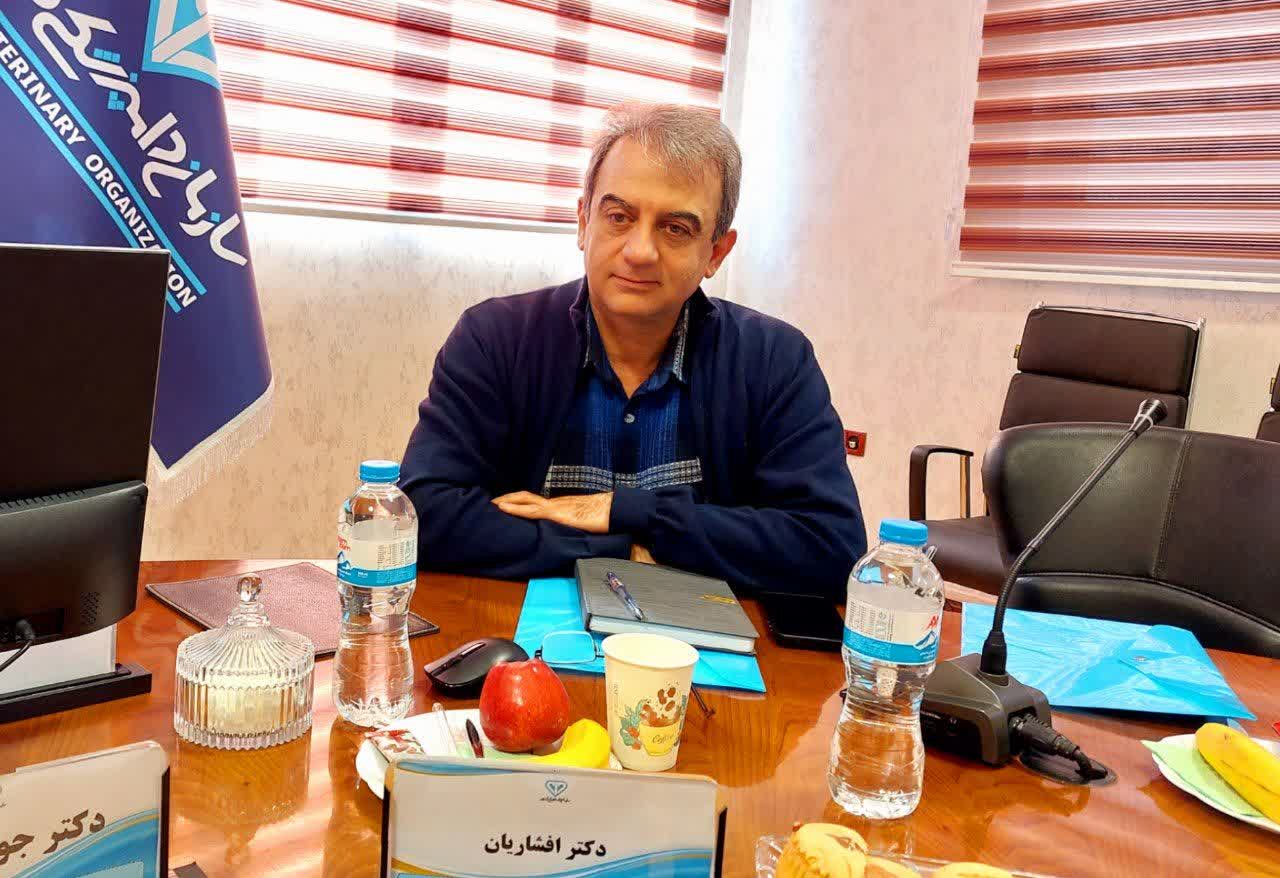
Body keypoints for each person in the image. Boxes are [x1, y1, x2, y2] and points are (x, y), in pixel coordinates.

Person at [400, 103, 866, 595]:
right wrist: (623, 550)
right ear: (583, 222)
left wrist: (628, 511)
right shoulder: (495, 338)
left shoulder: (775, 360)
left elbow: (831, 546)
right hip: (520, 633)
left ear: (715, 252)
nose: (640, 251)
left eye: (675, 228)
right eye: (619, 216)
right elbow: (421, 515)